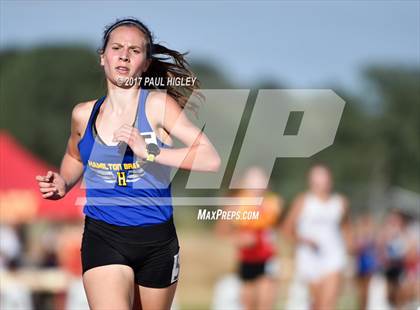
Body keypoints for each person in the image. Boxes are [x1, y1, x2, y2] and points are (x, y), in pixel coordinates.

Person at [35, 18, 220, 310]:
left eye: (134, 50)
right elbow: (74, 156)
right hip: (104, 234)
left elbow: (210, 158)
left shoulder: (157, 106)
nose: (124, 55)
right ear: (103, 57)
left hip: (157, 241)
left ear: (146, 63)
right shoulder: (84, 114)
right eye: (117, 47)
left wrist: (149, 151)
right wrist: (63, 182)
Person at [283, 164, 351, 310]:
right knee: (317, 304)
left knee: (327, 305)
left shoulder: (340, 203)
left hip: (333, 257)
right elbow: (287, 231)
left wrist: (350, 250)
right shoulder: (303, 201)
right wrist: (303, 240)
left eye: (324, 181)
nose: (320, 186)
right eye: (316, 182)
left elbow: (346, 228)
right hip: (309, 259)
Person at [216, 166, 283, 310]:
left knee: (266, 304)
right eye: (253, 185)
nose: (257, 189)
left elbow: (281, 229)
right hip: (246, 261)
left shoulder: (273, 204)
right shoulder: (237, 205)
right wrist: (239, 238)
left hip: (268, 260)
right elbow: (221, 231)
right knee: (248, 304)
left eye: (261, 184)